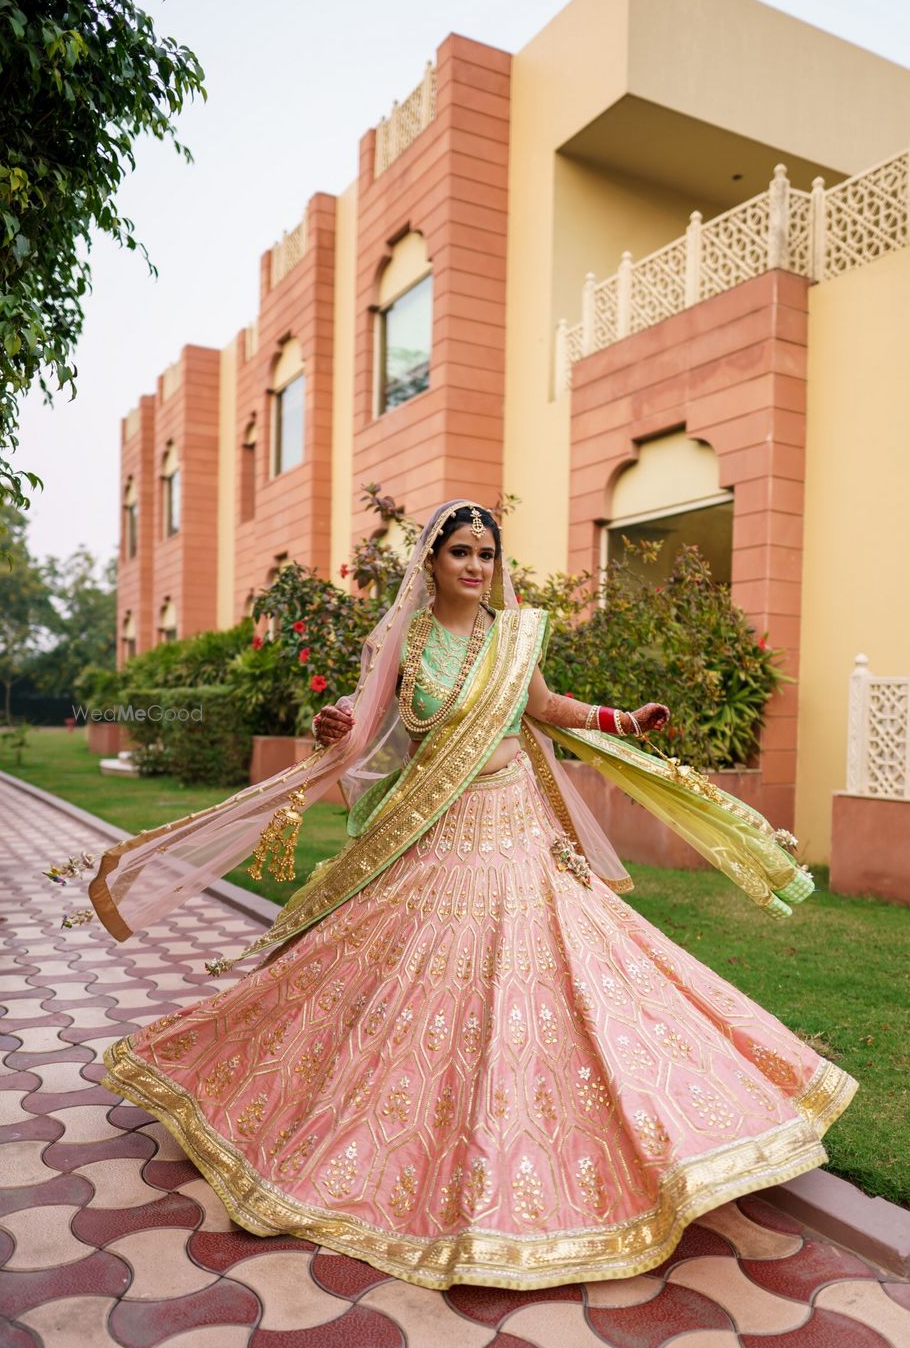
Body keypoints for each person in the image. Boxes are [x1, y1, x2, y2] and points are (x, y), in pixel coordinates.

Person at [90, 498, 857, 1291]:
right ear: (432, 562)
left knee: (571, 972)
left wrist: (621, 718)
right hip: (441, 834)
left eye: (487, 555)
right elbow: (367, 717)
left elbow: (546, 710)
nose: (476, 567)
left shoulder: (512, 637)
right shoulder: (407, 641)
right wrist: (336, 724)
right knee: (392, 983)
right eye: (461, 552)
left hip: (519, 827)